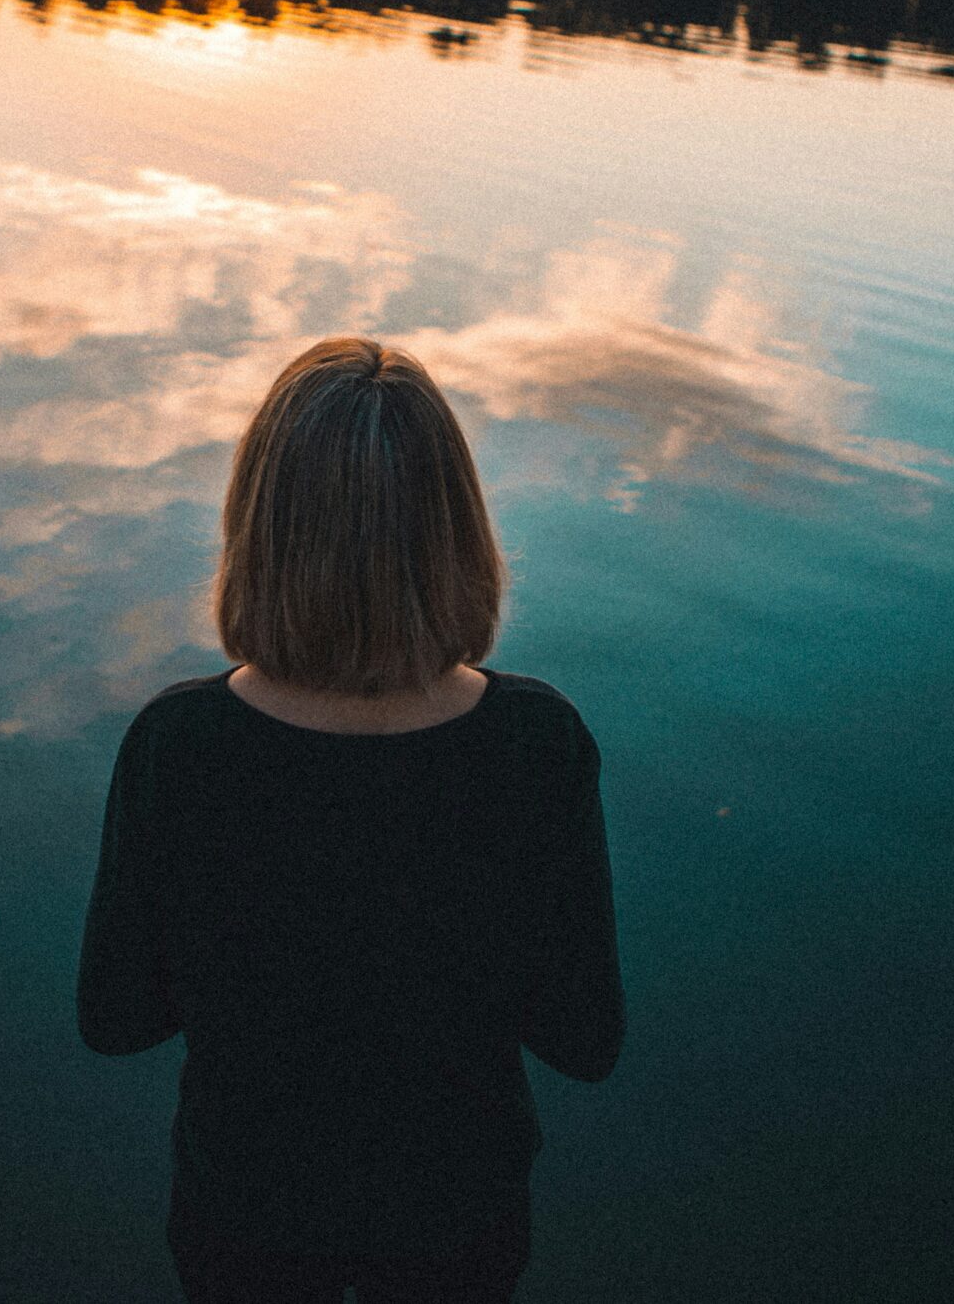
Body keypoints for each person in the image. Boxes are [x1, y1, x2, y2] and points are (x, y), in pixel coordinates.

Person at [77, 335, 626, 1303]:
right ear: (456, 532)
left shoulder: (178, 746)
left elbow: (116, 1018)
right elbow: (584, 1038)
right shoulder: (536, 745)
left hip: (244, 1218)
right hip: (458, 1221)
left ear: (257, 524)